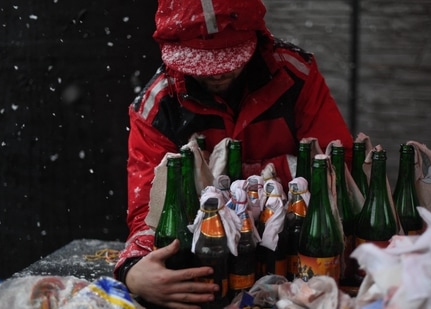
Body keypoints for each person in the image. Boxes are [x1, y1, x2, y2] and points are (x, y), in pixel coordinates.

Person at [114, 0, 354, 307]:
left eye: (230, 58)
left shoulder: (296, 75)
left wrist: (226, 182)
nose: (216, 74)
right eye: (200, 62)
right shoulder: (157, 105)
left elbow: (339, 167)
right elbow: (149, 211)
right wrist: (134, 270)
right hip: (210, 272)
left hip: (300, 262)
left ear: (257, 38)